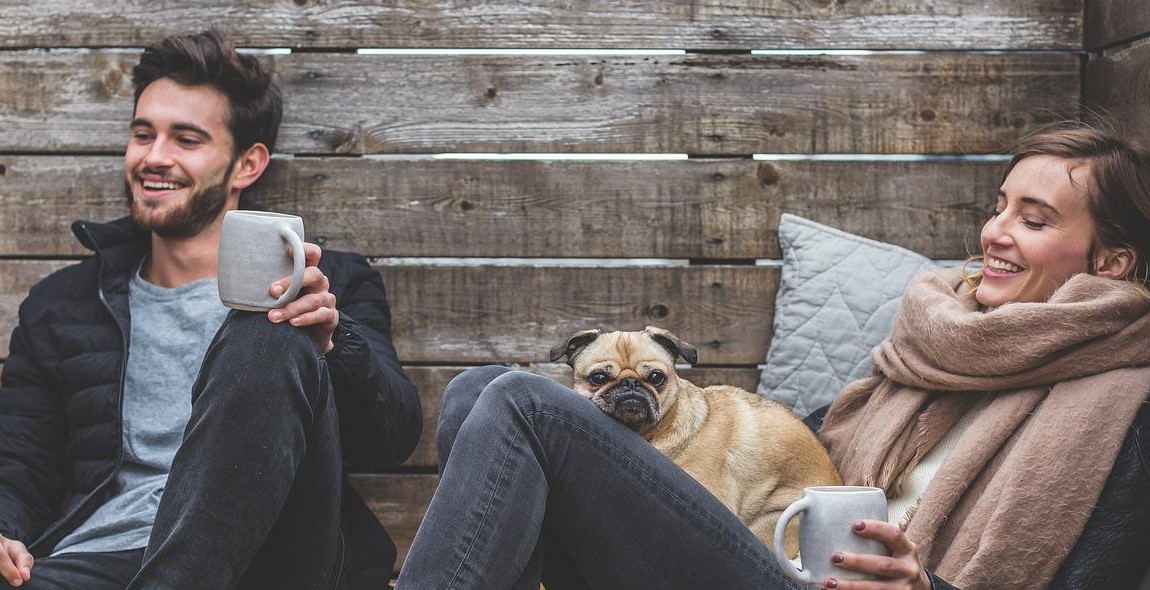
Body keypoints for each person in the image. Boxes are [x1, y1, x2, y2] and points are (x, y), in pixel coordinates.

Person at [394, 122, 1150, 590]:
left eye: (1035, 218)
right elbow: (809, 452)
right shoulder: (937, 348)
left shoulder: (1123, 412)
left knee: (520, 401)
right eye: (998, 206)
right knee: (477, 390)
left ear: (1110, 264)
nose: (995, 232)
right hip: (786, 561)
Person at [0, 30, 421, 589]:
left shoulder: (332, 282)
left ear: (247, 164)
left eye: (186, 140)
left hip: (270, 560)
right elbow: (23, 465)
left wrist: (334, 339)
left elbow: (390, 440)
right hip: (96, 562)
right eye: (143, 134)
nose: (154, 157)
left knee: (274, 324)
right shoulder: (63, 306)